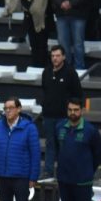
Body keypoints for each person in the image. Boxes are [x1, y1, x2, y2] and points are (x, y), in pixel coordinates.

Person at [0, 98, 40, 201]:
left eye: (11, 107)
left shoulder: (29, 127)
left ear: (19, 109)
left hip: (21, 176)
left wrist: (33, 177)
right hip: (2, 175)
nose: (8, 110)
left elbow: (35, 153)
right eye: (6, 108)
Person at [56, 100, 101, 201]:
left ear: (82, 110)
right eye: (70, 109)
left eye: (76, 110)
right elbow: (56, 149)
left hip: (83, 182)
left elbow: (98, 154)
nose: (73, 113)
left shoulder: (90, 130)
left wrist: (88, 170)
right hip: (64, 180)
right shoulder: (59, 127)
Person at [41, 45, 84, 176]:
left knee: (64, 144)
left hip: (63, 117)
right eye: (53, 56)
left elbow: (78, 94)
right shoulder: (46, 72)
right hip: (48, 115)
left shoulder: (70, 73)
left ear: (64, 57)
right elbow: (44, 91)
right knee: (50, 144)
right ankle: (48, 171)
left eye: (58, 55)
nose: (55, 58)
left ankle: (64, 171)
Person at [18, 0, 53, 67]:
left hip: (44, 16)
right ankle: (35, 64)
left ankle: (42, 65)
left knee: (42, 43)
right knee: (33, 43)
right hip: (29, 16)